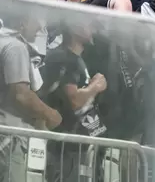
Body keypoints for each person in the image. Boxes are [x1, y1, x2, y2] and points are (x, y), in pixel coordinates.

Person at [0, 9, 62, 182]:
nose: (39, 28)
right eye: (36, 21)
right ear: (23, 23)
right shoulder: (15, 47)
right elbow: (21, 95)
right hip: (5, 137)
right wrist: (51, 114)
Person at [37, 17, 108, 182]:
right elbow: (74, 100)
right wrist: (95, 87)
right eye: (89, 24)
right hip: (65, 145)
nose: (93, 30)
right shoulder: (63, 57)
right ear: (75, 27)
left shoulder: (77, 59)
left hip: (79, 144)